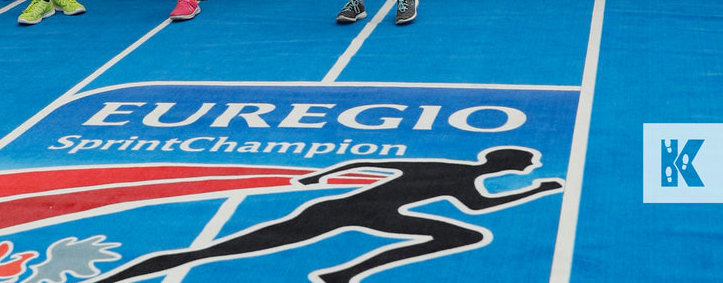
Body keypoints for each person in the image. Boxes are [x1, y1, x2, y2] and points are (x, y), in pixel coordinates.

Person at [93, 150, 562, 283]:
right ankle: (122, 275)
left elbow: (480, 207)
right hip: (342, 210)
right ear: (505, 164)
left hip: (380, 214)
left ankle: (350, 270)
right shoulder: (453, 172)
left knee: (456, 235)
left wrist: (324, 175)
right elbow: (374, 166)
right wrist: (321, 179)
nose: (529, 169)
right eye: (525, 167)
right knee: (215, 250)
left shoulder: (460, 176)